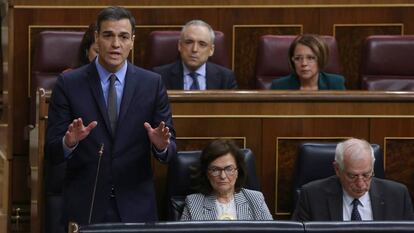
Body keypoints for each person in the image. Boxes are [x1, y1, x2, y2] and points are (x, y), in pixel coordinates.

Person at [45, 6, 176, 225]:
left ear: (132, 41)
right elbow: (51, 151)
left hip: (136, 206)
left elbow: (171, 152)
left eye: (123, 37)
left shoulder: (152, 84)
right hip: (85, 205)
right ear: (96, 38)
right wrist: (68, 143)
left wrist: (161, 146)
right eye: (108, 35)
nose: (116, 44)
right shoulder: (69, 84)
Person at [292, 138, 414, 221]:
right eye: (352, 176)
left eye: (366, 175)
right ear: (337, 169)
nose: (361, 184)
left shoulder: (398, 196)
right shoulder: (312, 196)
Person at [180, 139, 273, 220]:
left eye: (229, 169)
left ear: (237, 171)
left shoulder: (256, 199)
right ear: (206, 173)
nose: (223, 176)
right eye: (215, 170)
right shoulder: (193, 203)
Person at [153, 20, 237, 90]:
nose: (194, 49)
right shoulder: (159, 77)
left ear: (211, 50)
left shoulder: (226, 78)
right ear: (180, 46)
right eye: (189, 42)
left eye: (202, 44)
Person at [271, 34, 345, 90]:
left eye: (310, 58)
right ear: (292, 60)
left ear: (321, 59)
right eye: (298, 58)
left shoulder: (336, 84)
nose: (304, 64)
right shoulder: (279, 86)